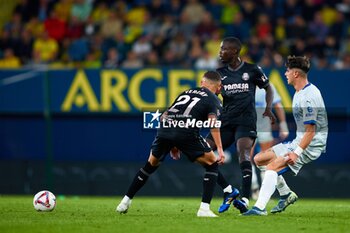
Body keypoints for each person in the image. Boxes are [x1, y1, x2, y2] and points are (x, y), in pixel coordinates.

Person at [116, 71, 225, 217]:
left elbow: (164, 115)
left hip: (164, 129)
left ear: (201, 83)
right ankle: (204, 209)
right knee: (212, 163)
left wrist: (173, 144)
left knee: (150, 165)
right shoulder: (214, 100)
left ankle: (124, 202)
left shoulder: (185, 92)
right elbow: (213, 124)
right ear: (219, 87)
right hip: (185, 131)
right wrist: (220, 149)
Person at [243, 55, 328, 216]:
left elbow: (311, 131)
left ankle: (259, 208)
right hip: (299, 140)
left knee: (272, 167)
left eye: (288, 71)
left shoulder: (309, 96)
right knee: (259, 159)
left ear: (296, 74)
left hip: (311, 143)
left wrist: (296, 153)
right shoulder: (299, 93)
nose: (285, 73)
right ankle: (286, 194)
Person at [205, 37, 276, 213]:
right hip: (226, 120)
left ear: (235, 52)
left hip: (246, 120)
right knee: (203, 151)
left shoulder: (252, 70)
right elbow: (209, 94)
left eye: (223, 49)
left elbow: (268, 88)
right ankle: (229, 190)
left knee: (243, 153)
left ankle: (244, 198)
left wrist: (268, 108)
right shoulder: (218, 73)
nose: (220, 52)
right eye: (220, 49)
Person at [251, 83, 290, 199]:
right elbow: (278, 105)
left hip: (252, 126)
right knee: (265, 159)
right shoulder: (268, 86)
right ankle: (262, 190)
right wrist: (283, 125)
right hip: (258, 126)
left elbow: (277, 105)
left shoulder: (246, 85)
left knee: (248, 158)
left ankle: (256, 189)